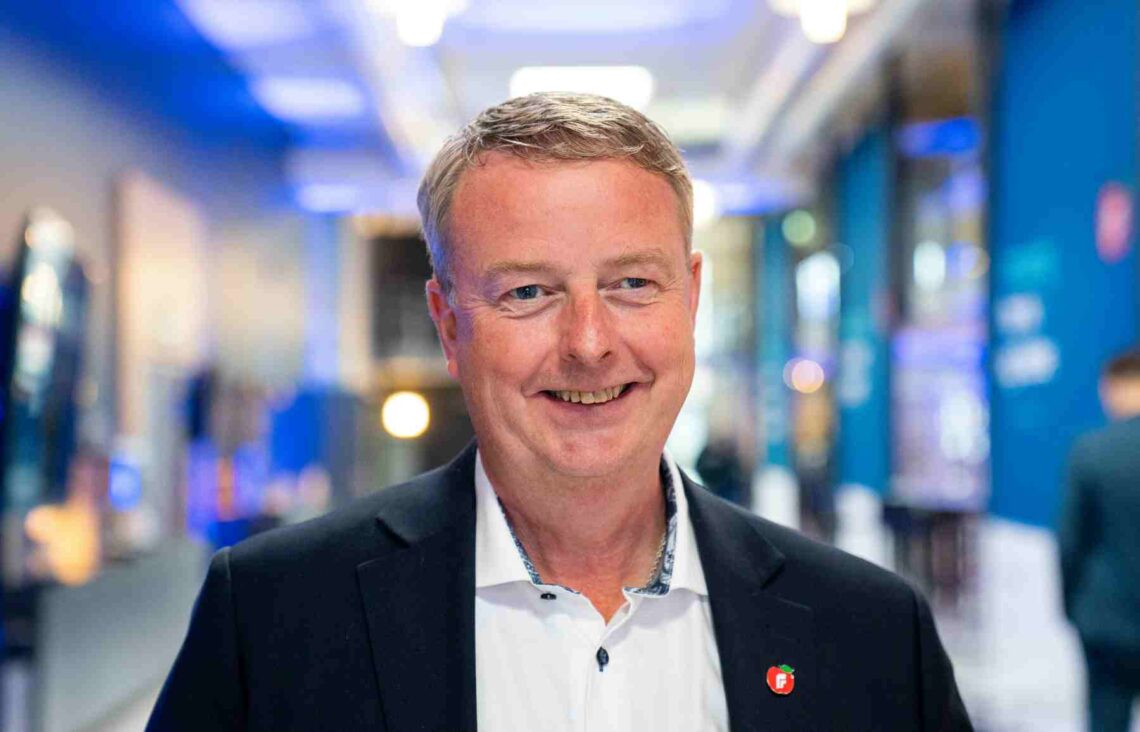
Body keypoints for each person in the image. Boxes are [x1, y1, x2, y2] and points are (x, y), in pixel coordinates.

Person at [148, 92, 970, 731]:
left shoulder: (871, 633)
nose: (588, 343)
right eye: (528, 292)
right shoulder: (271, 617)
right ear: (448, 325)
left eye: (632, 284)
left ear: (690, 300)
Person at [1059, 348, 1140, 732]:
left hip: (1106, 622)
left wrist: (1071, 606)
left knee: (1106, 720)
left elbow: (1071, 541)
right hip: (1107, 619)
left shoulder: (1091, 451)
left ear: (1114, 388)